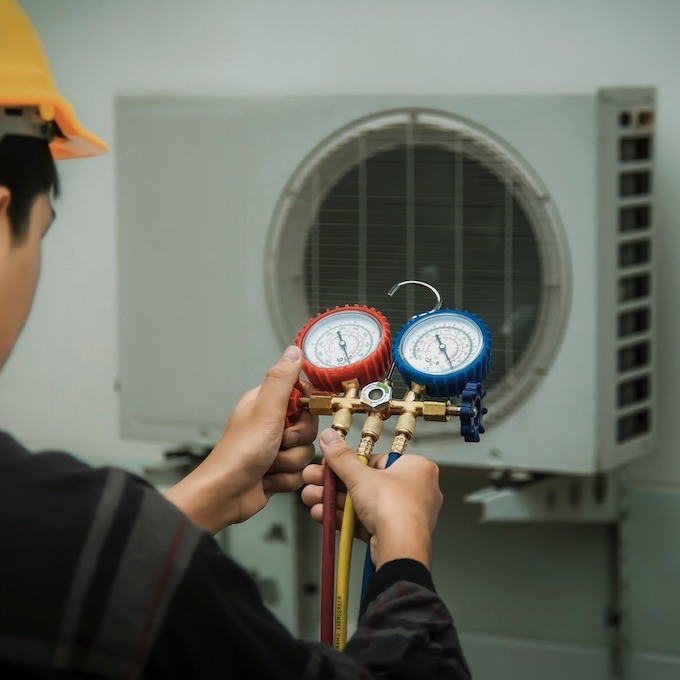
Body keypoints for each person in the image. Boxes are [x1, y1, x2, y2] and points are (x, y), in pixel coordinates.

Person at [0, 1, 472, 678]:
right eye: (43, 233)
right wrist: (404, 547)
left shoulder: (57, 536)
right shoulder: (71, 529)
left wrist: (214, 488)